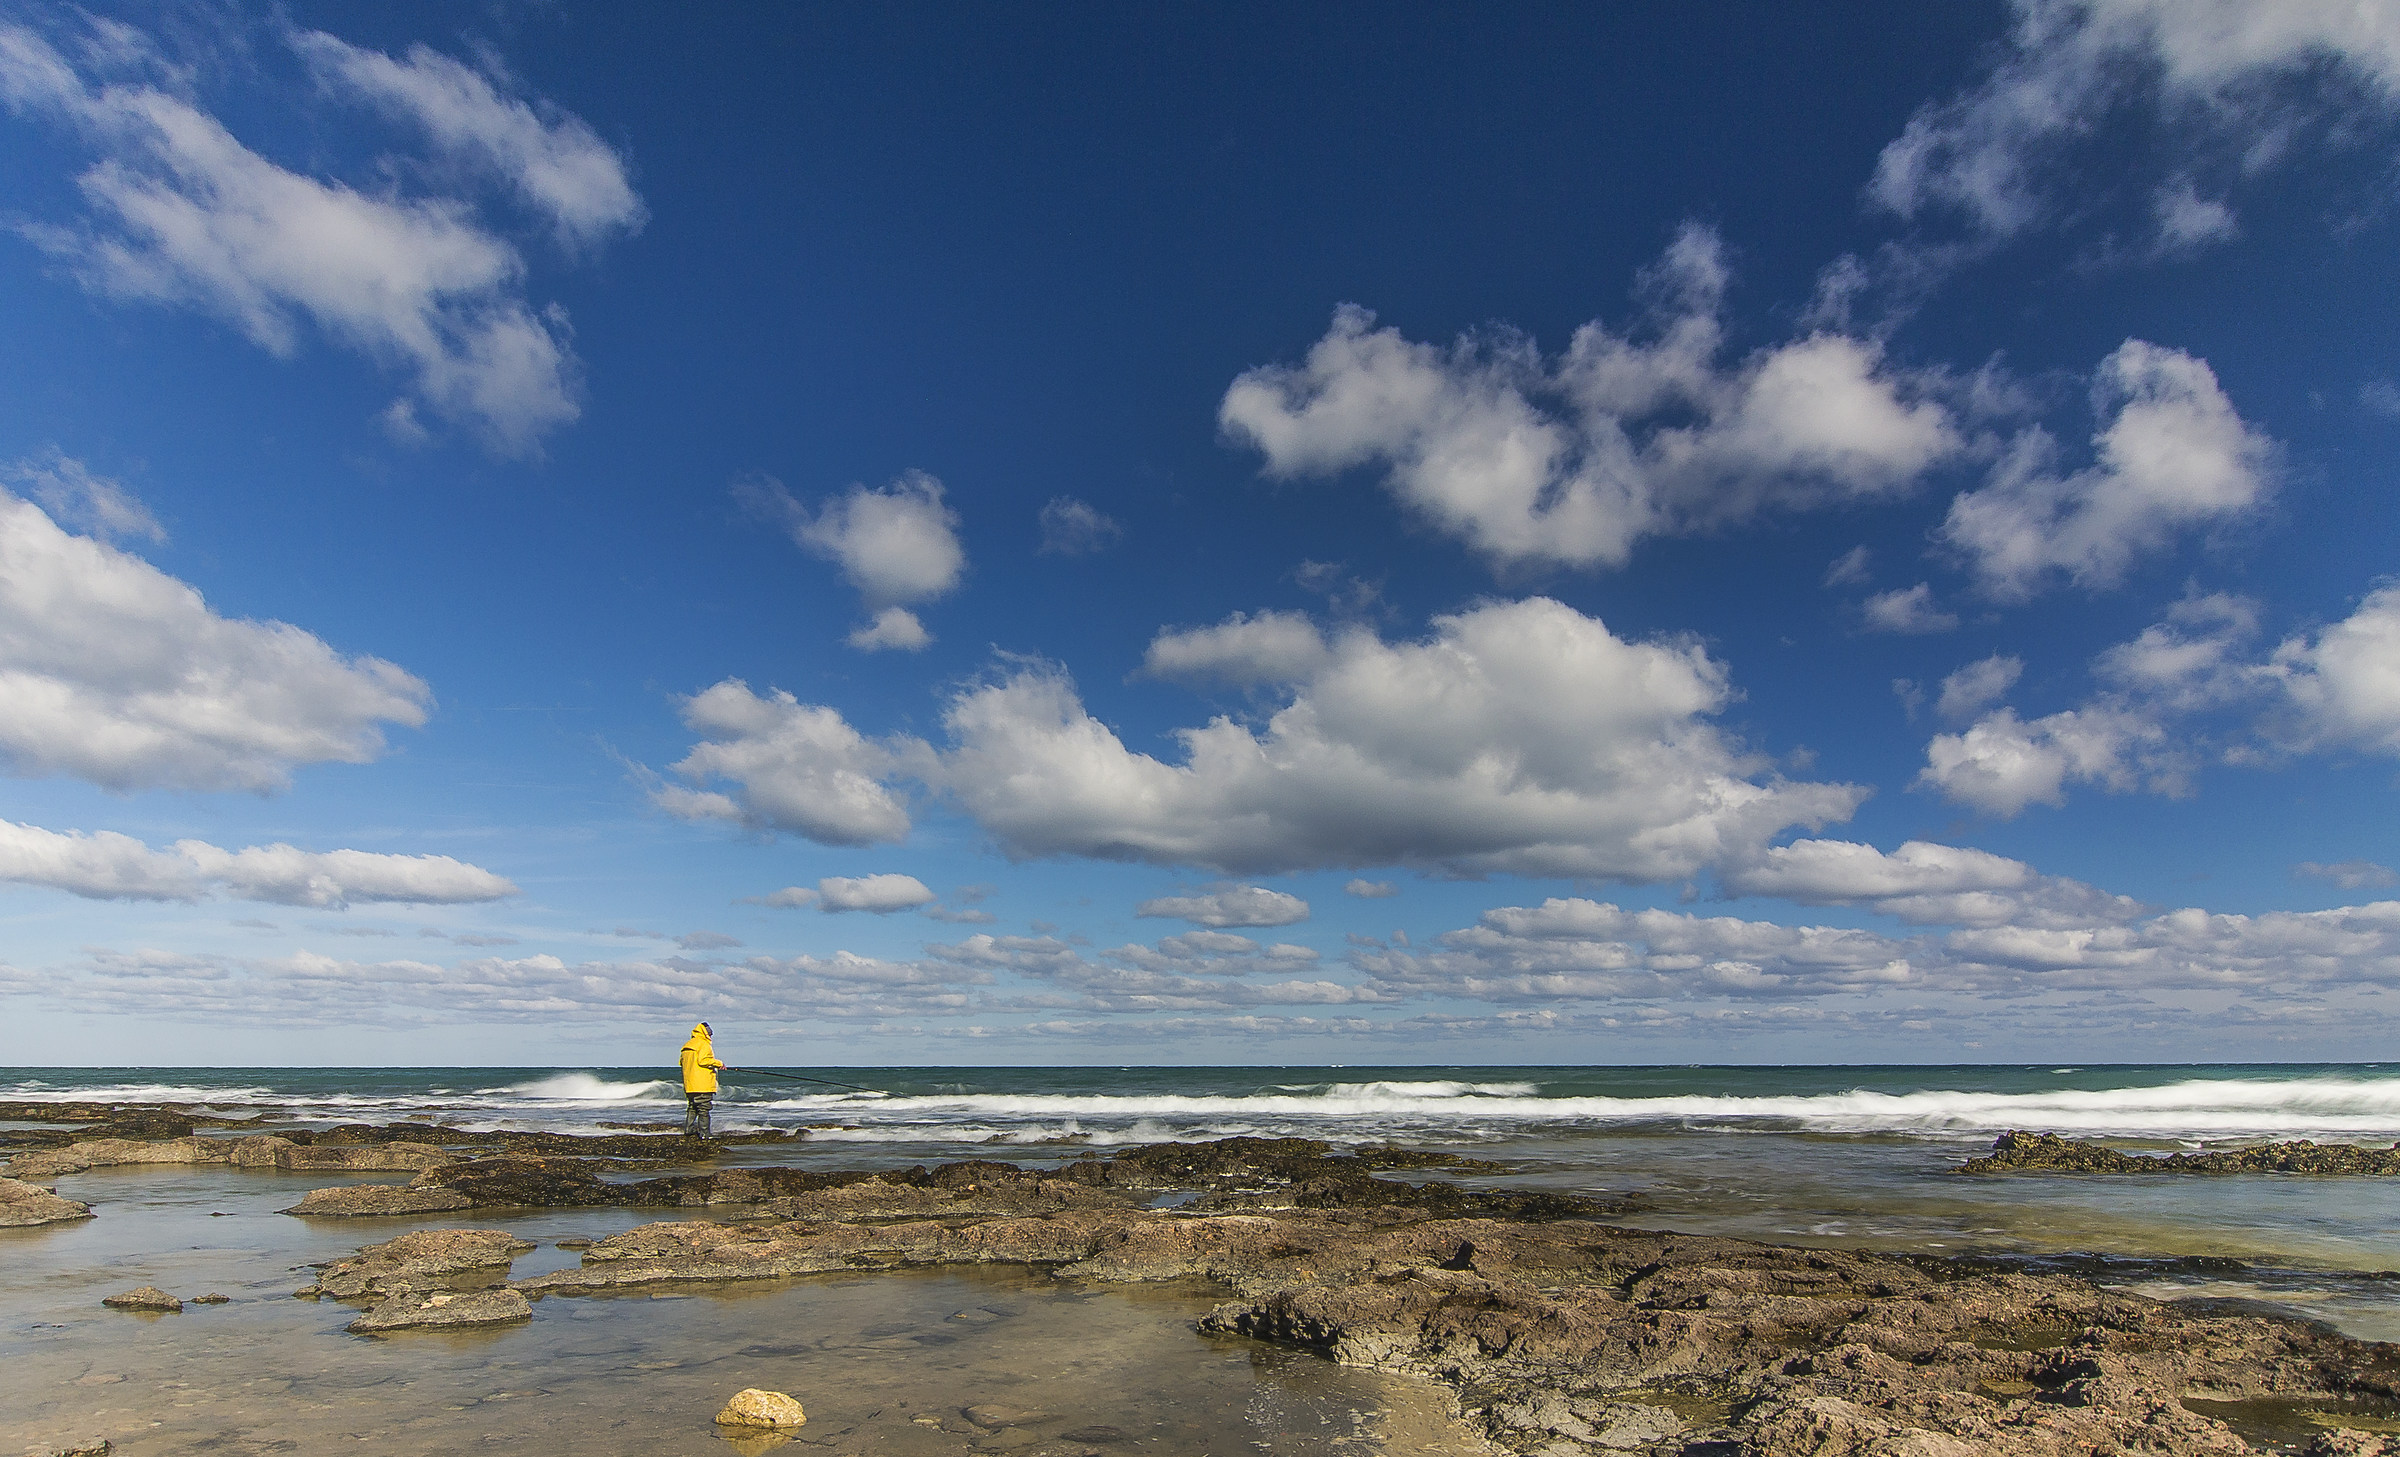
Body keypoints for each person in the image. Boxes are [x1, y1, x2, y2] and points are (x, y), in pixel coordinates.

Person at [679, 1021, 728, 1139]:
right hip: (702, 1083)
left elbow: (681, 1062)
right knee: (704, 1108)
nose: (710, 1036)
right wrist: (719, 1063)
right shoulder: (703, 1044)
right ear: (706, 1033)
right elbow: (704, 1060)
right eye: (710, 1033)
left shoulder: (687, 1045)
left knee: (692, 1107)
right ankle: (705, 1134)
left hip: (690, 1084)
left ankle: (688, 1130)